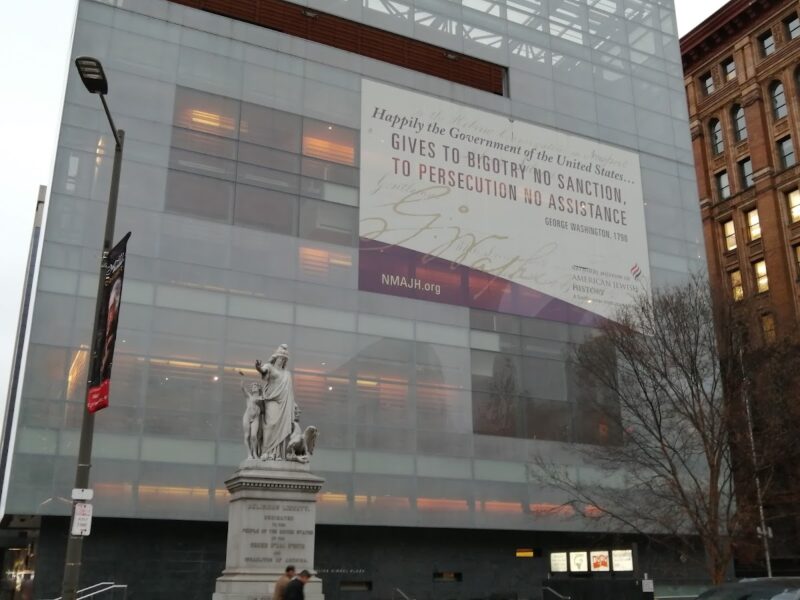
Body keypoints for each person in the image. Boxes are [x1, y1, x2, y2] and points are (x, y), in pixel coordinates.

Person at [255, 344, 298, 460]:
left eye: (284, 359)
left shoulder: (287, 374)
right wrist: (258, 367)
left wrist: (293, 404)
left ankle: (277, 454)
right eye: (280, 358)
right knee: (270, 425)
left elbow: (290, 392)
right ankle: (266, 452)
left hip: (284, 402)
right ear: (276, 358)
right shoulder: (269, 367)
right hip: (272, 400)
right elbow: (262, 371)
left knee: (282, 427)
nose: (282, 360)